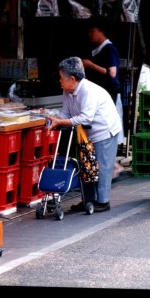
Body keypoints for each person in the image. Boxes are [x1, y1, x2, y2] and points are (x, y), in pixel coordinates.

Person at [48, 56, 122, 213]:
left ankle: (103, 201)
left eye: (61, 77)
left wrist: (62, 122)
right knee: (86, 166)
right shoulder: (67, 91)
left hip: (104, 131)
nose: (59, 80)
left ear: (72, 79)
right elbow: (66, 112)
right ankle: (88, 200)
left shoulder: (87, 90)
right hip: (86, 133)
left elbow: (86, 117)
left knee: (102, 167)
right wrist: (56, 120)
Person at [81, 16, 124, 147]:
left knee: (105, 125)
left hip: (108, 93)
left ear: (101, 31)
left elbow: (112, 73)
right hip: (98, 93)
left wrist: (91, 65)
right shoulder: (97, 49)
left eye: (92, 31)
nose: (90, 34)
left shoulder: (109, 48)